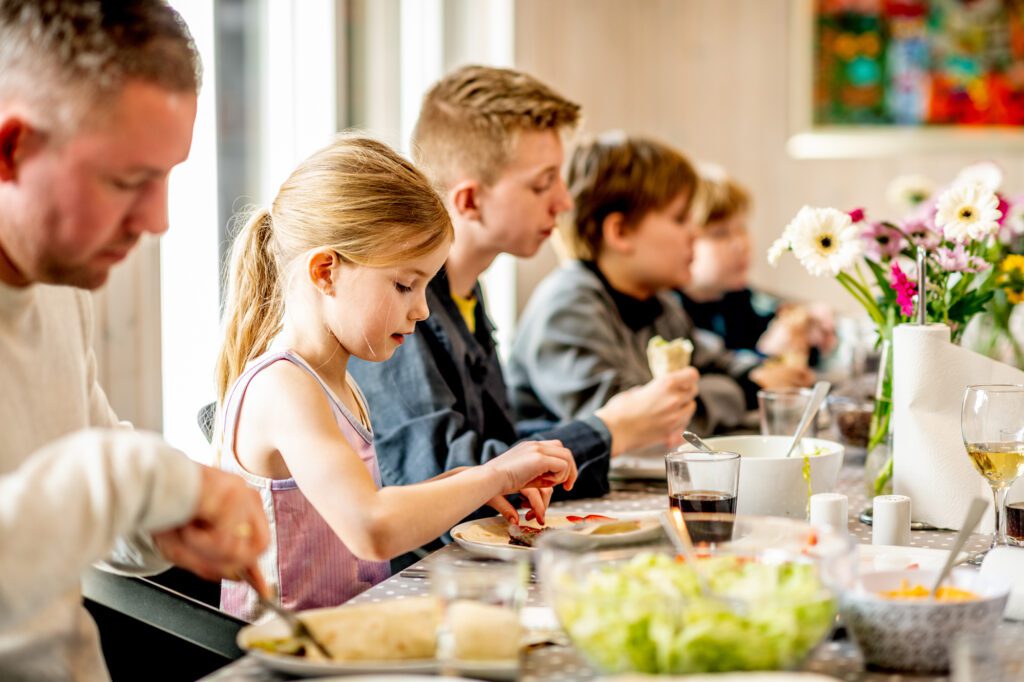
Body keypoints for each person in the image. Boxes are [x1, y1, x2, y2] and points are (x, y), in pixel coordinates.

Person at [0, 1, 270, 679]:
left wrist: (170, 516)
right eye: (128, 182)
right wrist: (146, 480)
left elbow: (81, 480)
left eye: (169, 175)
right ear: (11, 148)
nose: (159, 220)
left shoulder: (58, 282)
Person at [214, 134, 578, 621]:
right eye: (405, 284)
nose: (423, 310)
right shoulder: (285, 387)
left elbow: (375, 504)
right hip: (288, 660)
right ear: (326, 271)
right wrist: (495, 472)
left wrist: (468, 481)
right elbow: (371, 526)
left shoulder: (339, 383)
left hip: (348, 642)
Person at [348, 66, 698, 504]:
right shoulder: (398, 306)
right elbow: (438, 478)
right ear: (470, 200)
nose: (564, 202)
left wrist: (594, 436)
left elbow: (498, 444)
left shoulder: (467, 293)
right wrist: (609, 430)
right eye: (541, 184)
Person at [508, 134, 814, 435]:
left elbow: (713, 361)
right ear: (621, 232)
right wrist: (750, 388)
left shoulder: (658, 302)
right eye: (680, 219)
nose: (694, 233)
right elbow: (641, 426)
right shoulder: (568, 310)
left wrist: (763, 373)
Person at [679, 165, 836, 366]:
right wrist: (768, 355)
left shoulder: (736, 298)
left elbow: (768, 326)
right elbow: (721, 376)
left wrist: (807, 331)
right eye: (720, 234)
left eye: (742, 228)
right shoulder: (671, 316)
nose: (740, 244)